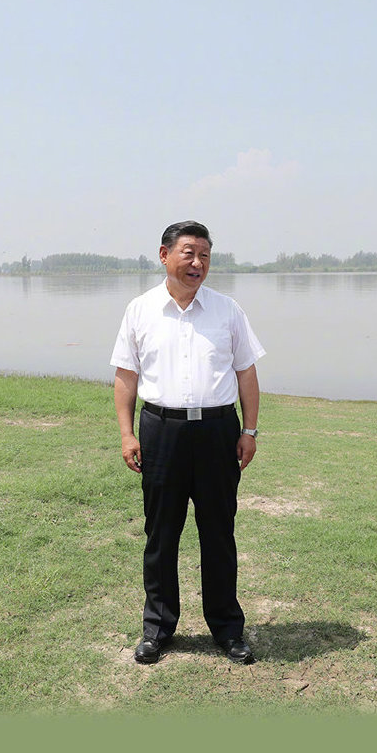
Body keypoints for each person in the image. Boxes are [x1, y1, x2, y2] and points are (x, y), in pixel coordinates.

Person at [111, 220, 264, 665]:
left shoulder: (227, 310)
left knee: (218, 533)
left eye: (205, 255)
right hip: (161, 431)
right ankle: (158, 628)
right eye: (189, 253)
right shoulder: (140, 310)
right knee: (161, 534)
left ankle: (227, 629)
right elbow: (126, 376)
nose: (197, 263)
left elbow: (246, 373)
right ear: (164, 256)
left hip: (217, 432)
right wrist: (127, 433)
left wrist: (249, 431)